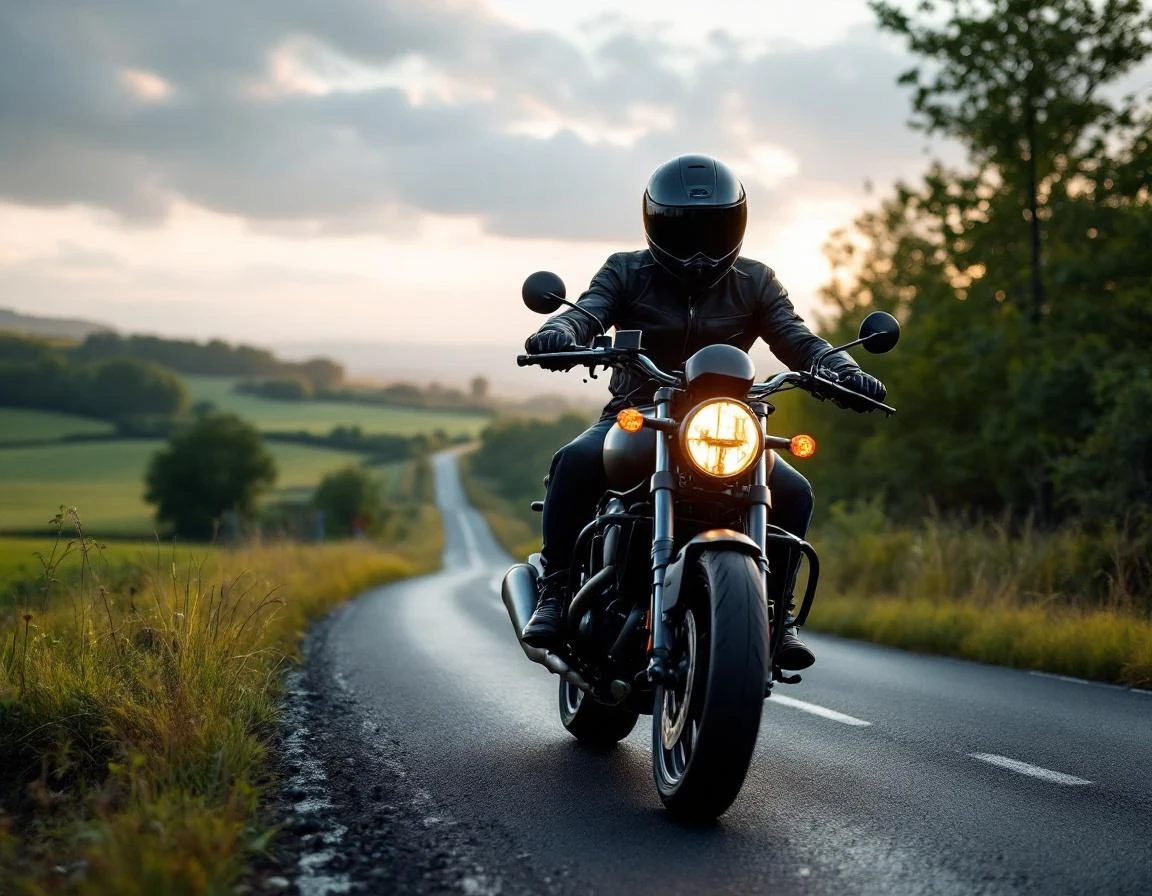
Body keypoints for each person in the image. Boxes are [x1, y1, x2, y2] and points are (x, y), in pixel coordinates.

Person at [520, 153, 886, 670]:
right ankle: (556, 591)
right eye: (682, 229)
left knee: (794, 491)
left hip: (725, 426)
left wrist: (841, 368)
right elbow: (591, 309)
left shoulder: (756, 281)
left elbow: (798, 338)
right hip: (639, 413)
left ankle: (775, 615)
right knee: (574, 462)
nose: (698, 248)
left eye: (712, 230)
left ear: (736, 224)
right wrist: (561, 333)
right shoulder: (626, 271)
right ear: (654, 223)